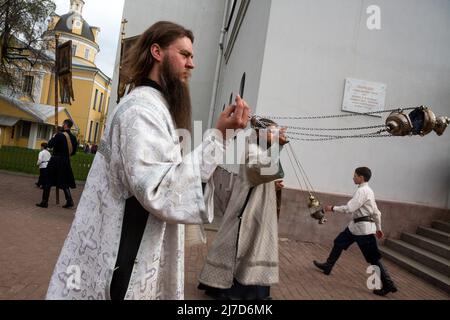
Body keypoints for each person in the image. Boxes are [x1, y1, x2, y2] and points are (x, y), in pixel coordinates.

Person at [46, 21, 250, 300]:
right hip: (127, 248)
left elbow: (169, 176)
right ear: (157, 52)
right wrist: (218, 137)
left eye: (192, 56)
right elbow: (157, 189)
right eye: (184, 54)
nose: (192, 64)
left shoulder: (152, 106)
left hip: (136, 238)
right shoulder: (141, 111)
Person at [198, 119, 287, 300]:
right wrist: (278, 146)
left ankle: (247, 289)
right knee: (243, 244)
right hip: (248, 210)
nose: (276, 135)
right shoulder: (253, 149)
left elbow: (264, 173)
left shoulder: (262, 150)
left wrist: (273, 187)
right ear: (259, 134)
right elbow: (258, 170)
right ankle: (230, 289)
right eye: (272, 131)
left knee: (255, 244)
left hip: (260, 207)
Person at [313, 167, 397, 296]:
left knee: (373, 258)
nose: (353, 177)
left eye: (355, 176)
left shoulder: (363, 191)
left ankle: (388, 285)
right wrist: (379, 228)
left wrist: (332, 208)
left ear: (361, 177)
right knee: (339, 242)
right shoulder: (368, 191)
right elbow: (376, 212)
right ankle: (328, 266)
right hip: (355, 227)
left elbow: (350, 208)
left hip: (364, 230)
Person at [36, 119, 78, 209]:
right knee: (64, 181)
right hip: (66, 161)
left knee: (47, 180)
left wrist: (54, 136)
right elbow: (73, 152)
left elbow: (50, 145)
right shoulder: (73, 138)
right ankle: (69, 200)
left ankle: (44, 201)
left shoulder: (59, 135)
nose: (62, 125)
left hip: (56, 160)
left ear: (65, 125)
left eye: (63, 124)